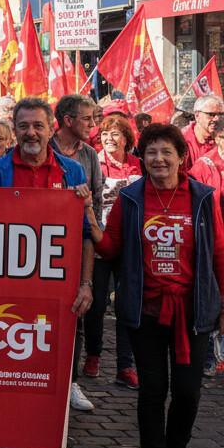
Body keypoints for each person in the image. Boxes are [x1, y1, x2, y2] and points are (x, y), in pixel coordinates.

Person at [91, 123, 224, 448]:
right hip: (146, 312)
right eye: (151, 152)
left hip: (192, 310)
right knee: (152, 391)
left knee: (188, 392)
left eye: (167, 152)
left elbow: (218, 252)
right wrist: (89, 223)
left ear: (182, 157)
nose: (158, 159)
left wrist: (223, 303)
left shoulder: (203, 197)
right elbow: (112, 247)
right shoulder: (131, 198)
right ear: (143, 157)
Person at [0, 97, 94, 448]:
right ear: (14, 130)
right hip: (7, 292)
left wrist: (86, 283)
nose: (31, 133)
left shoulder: (72, 170)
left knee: (53, 380)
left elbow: (84, 236)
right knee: (9, 376)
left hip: (56, 296)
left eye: (38, 126)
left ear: (50, 129)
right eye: (24, 126)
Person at [49, 94, 105, 412]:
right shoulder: (45, 149)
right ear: (68, 120)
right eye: (87, 119)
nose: (92, 125)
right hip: (44, 250)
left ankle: (70, 382)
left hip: (76, 247)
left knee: (76, 317)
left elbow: (93, 204)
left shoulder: (89, 157)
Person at [83, 114, 141, 390]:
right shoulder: (95, 161)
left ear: (126, 139)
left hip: (130, 244)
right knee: (95, 304)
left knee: (126, 304)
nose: (109, 139)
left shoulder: (137, 165)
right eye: (105, 134)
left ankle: (125, 365)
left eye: (115, 134)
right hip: (99, 240)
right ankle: (93, 355)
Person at [181, 94, 224, 170]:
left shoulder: (221, 138)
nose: (217, 119)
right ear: (197, 115)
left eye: (220, 114)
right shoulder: (182, 140)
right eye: (211, 114)